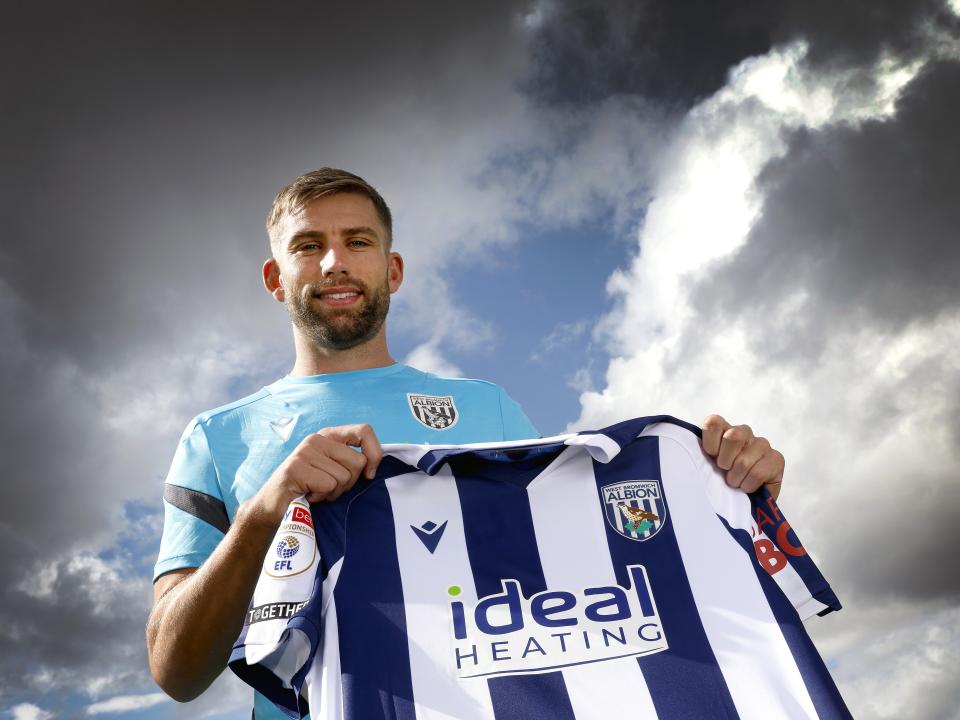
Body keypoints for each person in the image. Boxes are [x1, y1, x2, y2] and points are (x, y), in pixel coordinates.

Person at [146, 168, 786, 718]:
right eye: (308, 246)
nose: (335, 261)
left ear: (393, 270)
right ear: (274, 277)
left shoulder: (489, 408)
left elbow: (585, 578)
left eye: (357, 242)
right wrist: (266, 509)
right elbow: (175, 670)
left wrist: (723, 491)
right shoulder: (215, 438)